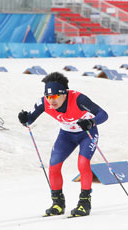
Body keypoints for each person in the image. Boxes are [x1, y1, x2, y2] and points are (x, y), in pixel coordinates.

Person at [18, 72, 108, 217]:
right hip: (66, 135)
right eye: (48, 96)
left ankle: (85, 203)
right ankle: (58, 204)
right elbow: (29, 121)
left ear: (64, 94)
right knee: (53, 166)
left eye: (54, 96)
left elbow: (103, 114)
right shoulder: (44, 103)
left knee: (83, 163)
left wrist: (91, 122)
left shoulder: (78, 98)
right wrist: (24, 119)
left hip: (87, 133)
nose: (51, 100)